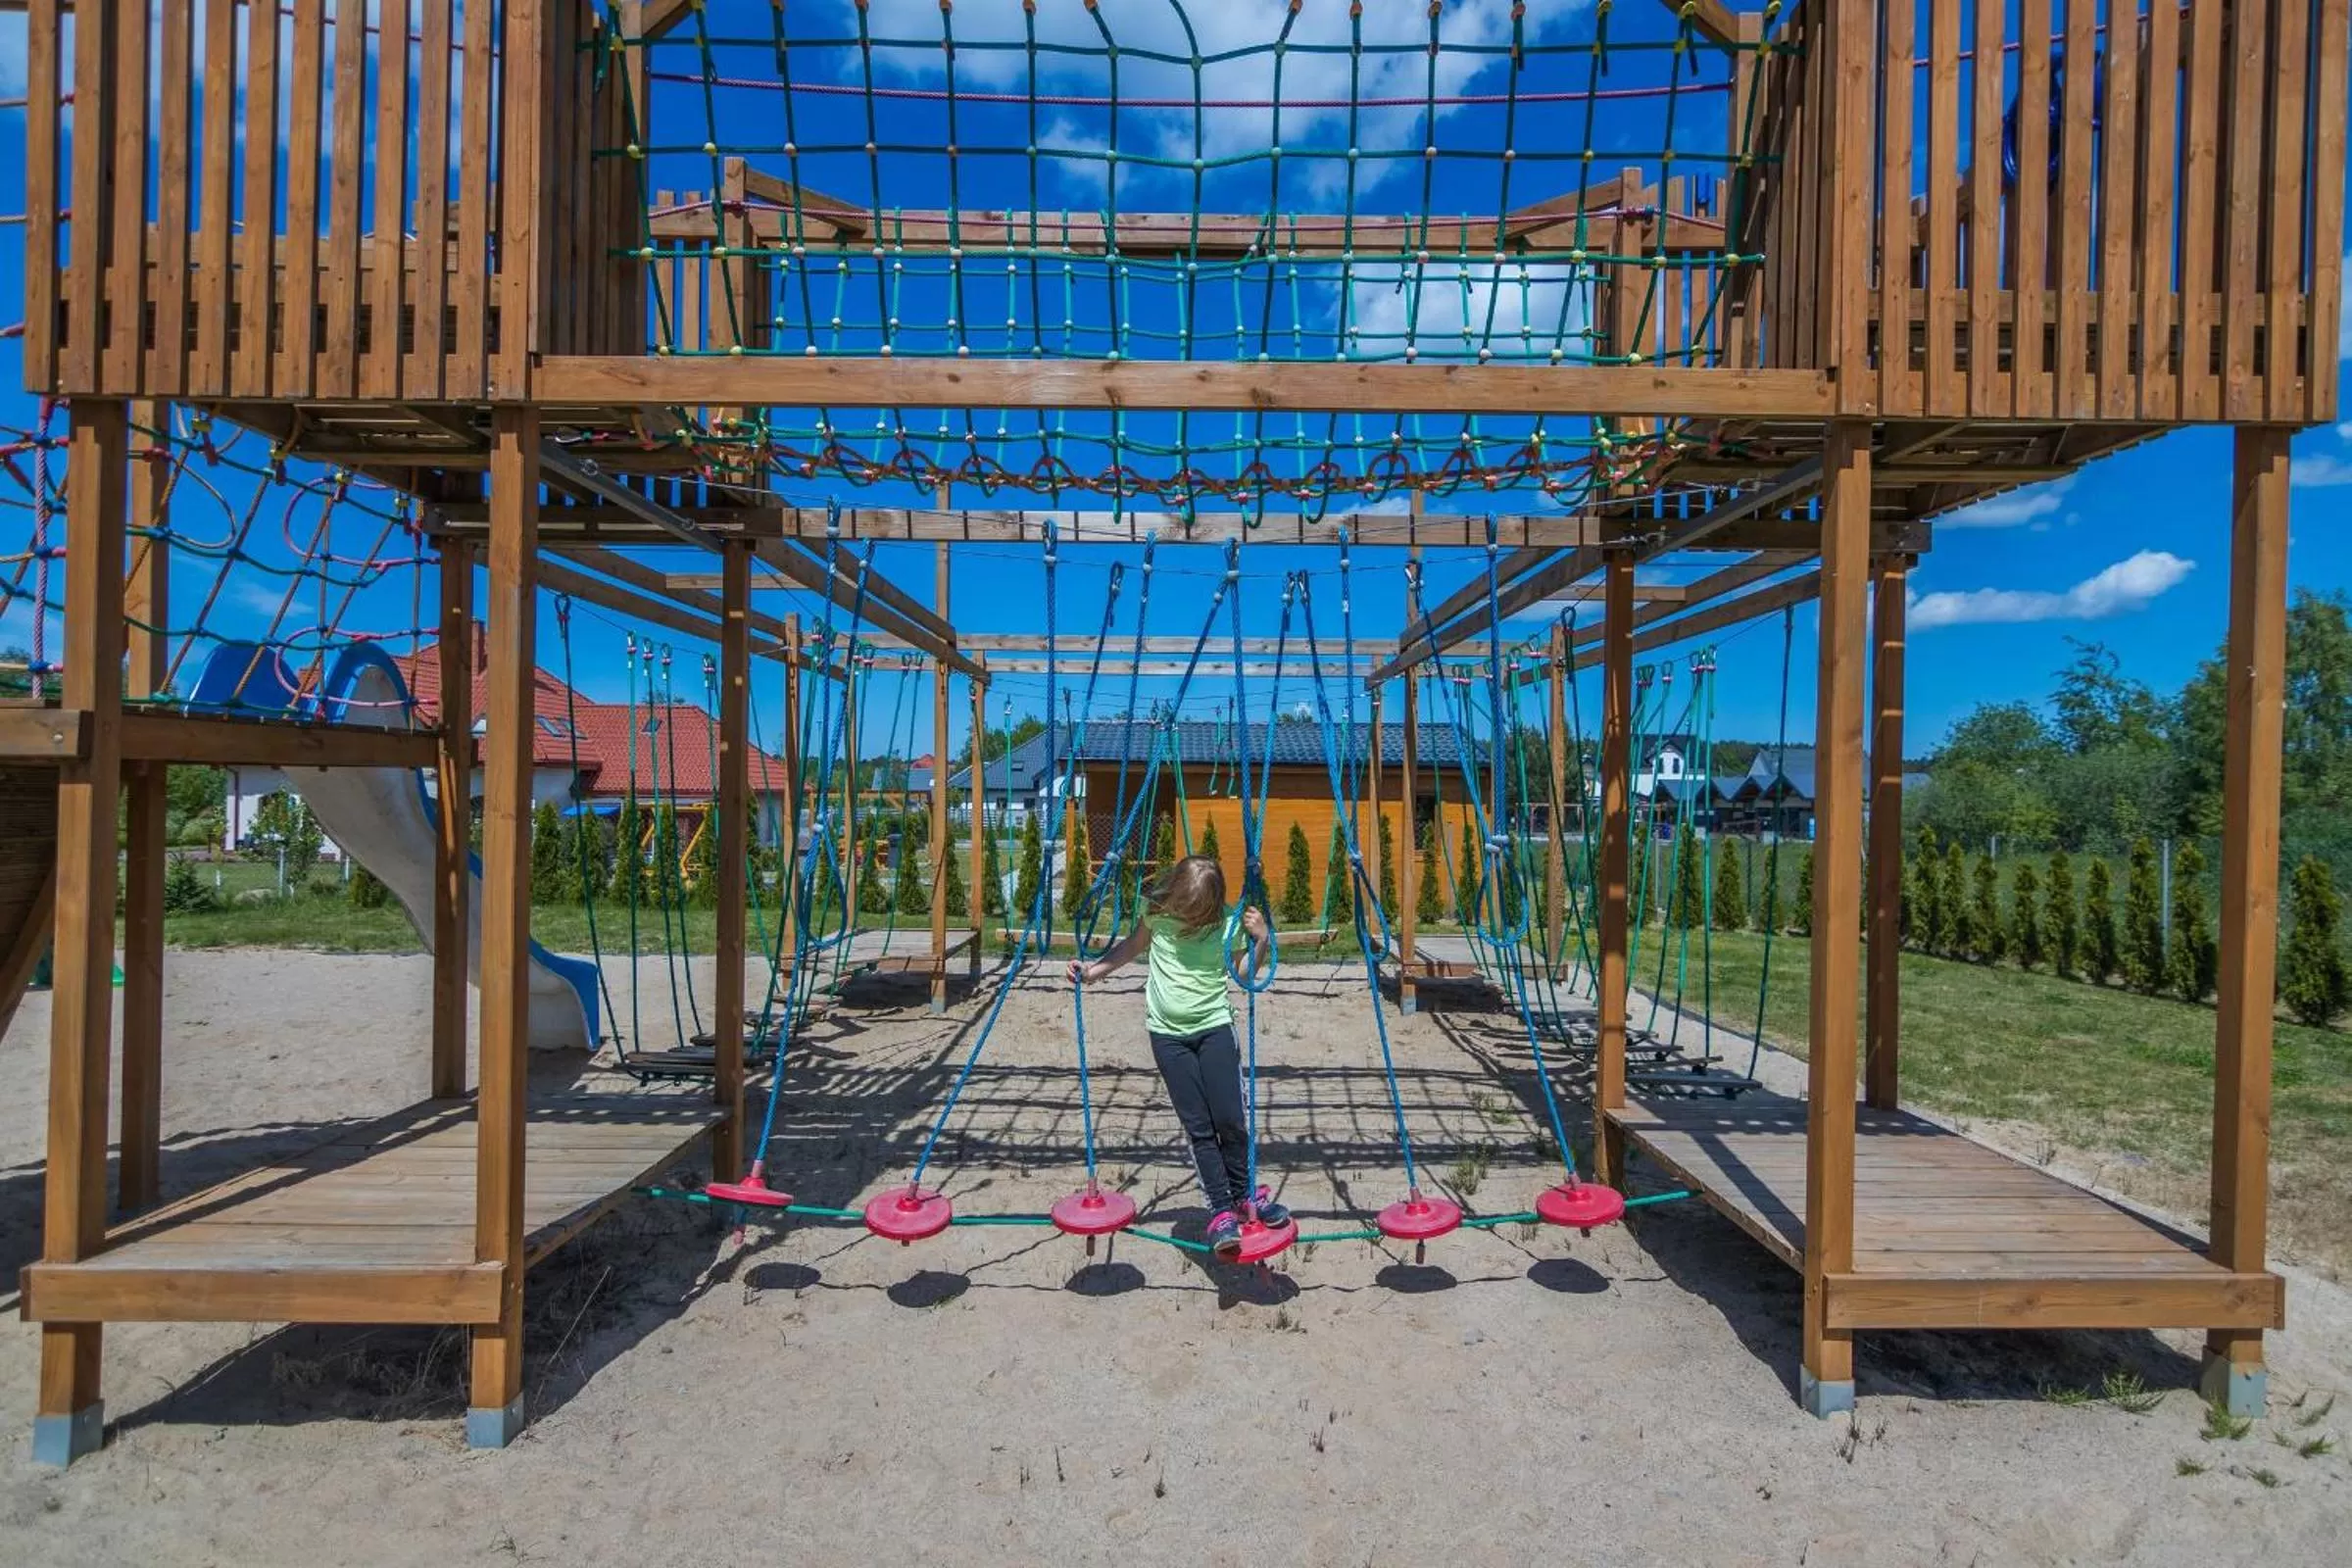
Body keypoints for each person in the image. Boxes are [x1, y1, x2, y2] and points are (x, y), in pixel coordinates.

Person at [1070, 853, 1287, 1258]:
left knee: (1230, 1119)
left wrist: (1261, 940)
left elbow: (1243, 976)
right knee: (1199, 1127)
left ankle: (1243, 1195)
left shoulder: (1225, 924)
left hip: (1214, 1029)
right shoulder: (1159, 916)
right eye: (1182, 908)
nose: (1185, 917)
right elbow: (1130, 948)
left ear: (1207, 907)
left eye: (1193, 912)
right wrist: (1092, 972)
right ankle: (1222, 1210)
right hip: (1168, 1037)